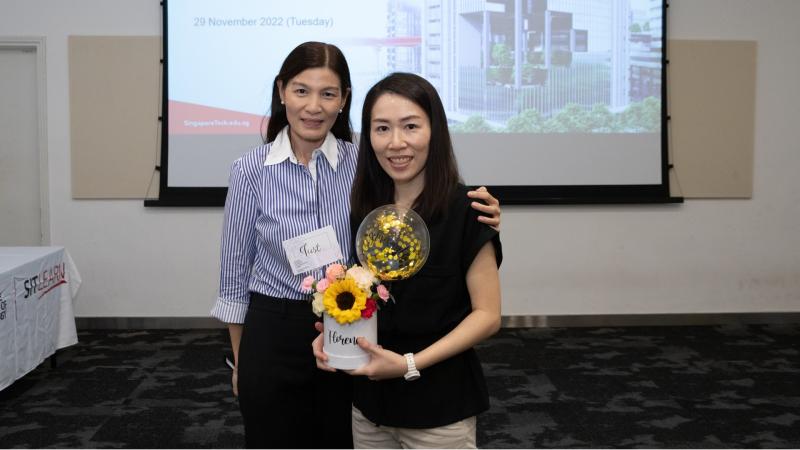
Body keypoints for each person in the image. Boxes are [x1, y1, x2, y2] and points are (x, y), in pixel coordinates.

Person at [211, 42, 501, 449]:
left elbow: (424, 206)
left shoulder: (363, 164)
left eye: (328, 94)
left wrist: (479, 212)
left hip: (348, 325)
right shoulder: (250, 171)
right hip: (273, 328)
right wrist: (241, 361)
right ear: (281, 92)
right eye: (301, 90)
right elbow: (234, 276)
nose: (314, 106)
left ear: (344, 100)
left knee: (340, 436)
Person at [313, 72, 502, 449]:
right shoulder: (362, 211)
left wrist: (409, 364)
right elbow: (361, 297)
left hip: (439, 407)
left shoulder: (468, 211)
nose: (395, 142)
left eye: (411, 126)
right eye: (382, 128)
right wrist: (333, 335)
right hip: (370, 406)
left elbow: (487, 316)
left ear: (435, 131)